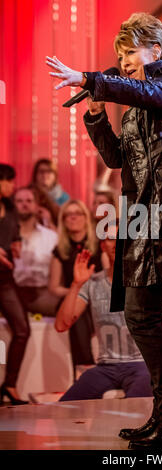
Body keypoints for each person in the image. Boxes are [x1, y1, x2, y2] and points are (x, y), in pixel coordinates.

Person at [46, 12, 162, 450]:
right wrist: (97, 114)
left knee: (142, 313)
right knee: (141, 314)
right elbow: (119, 159)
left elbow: (140, 90)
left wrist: (92, 78)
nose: (122, 62)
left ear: (157, 50)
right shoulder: (139, 105)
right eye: (118, 56)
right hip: (142, 212)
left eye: (130, 53)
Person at [56, 224, 152, 401]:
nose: (116, 243)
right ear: (103, 246)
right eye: (110, 238)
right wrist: (76, 284)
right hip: (106, 367)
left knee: (135, 407)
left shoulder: (144, 282)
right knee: (64, 408)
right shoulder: (92, 283)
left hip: (140, 365)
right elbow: (62, 325)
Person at [49, 199, 102, 380]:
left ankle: (81, 375)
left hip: (97, 298)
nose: (73, 218)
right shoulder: (60, 250)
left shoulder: (98, 245)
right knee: (75, 315)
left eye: (77, 214)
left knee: (83, 313)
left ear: (85, 218)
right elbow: (54, 287)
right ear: (63, 220)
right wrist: (76, 290)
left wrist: (89, 291)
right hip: (71, 298)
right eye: (68, 215)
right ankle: (87, 369)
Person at [0, 164, 29, 405]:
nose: (12, 186)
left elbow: (15, 232)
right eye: (8, 181)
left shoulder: (9, 208)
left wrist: (17, 243)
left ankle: (9, 384)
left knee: (22, 329)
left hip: (5, 279)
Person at [13, 187, 60, 316]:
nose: (24, 204)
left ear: (36, 205)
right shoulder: (4, 235)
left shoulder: (51, 237)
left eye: (29, 201)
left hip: (43, 294)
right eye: (19, 201)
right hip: (11, 294)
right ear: (13, 205)